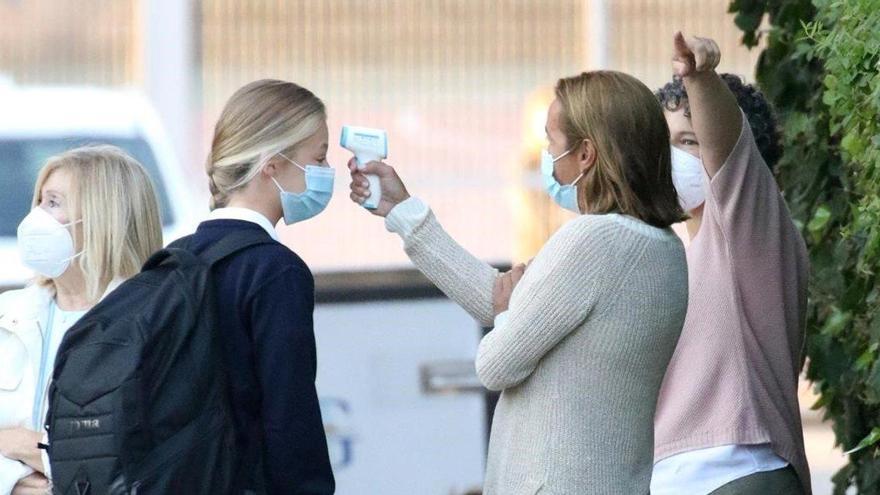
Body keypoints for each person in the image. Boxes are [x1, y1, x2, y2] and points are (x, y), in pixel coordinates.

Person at [349, 70, 689, 493]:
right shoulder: (665, 248)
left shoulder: (593, 240)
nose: (547, 155)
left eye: (552, 142)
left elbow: (495, 362)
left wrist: (509, 313)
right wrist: (402, 212)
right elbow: (503, 303)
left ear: (586, 154)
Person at [650, 33, 811, 494]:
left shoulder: (749, 229)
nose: (671, 158)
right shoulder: (674, 252)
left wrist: (699, 79)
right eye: (665, 143)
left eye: (688, 141)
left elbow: (726, 144)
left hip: (735, 473)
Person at [193, 79, 334, 494]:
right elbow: (289, 412)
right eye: (319, 159)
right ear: (271, 165)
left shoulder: (174, 260)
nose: (326, 174)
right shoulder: (276, 271)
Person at [0, 146, 163, 495]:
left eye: (54, 203)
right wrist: (12, 484)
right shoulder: (8, 315)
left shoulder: (151, 325)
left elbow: (142, 456)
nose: (35, 218)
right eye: (41, 201)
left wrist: (26, 446)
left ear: (103, 217)